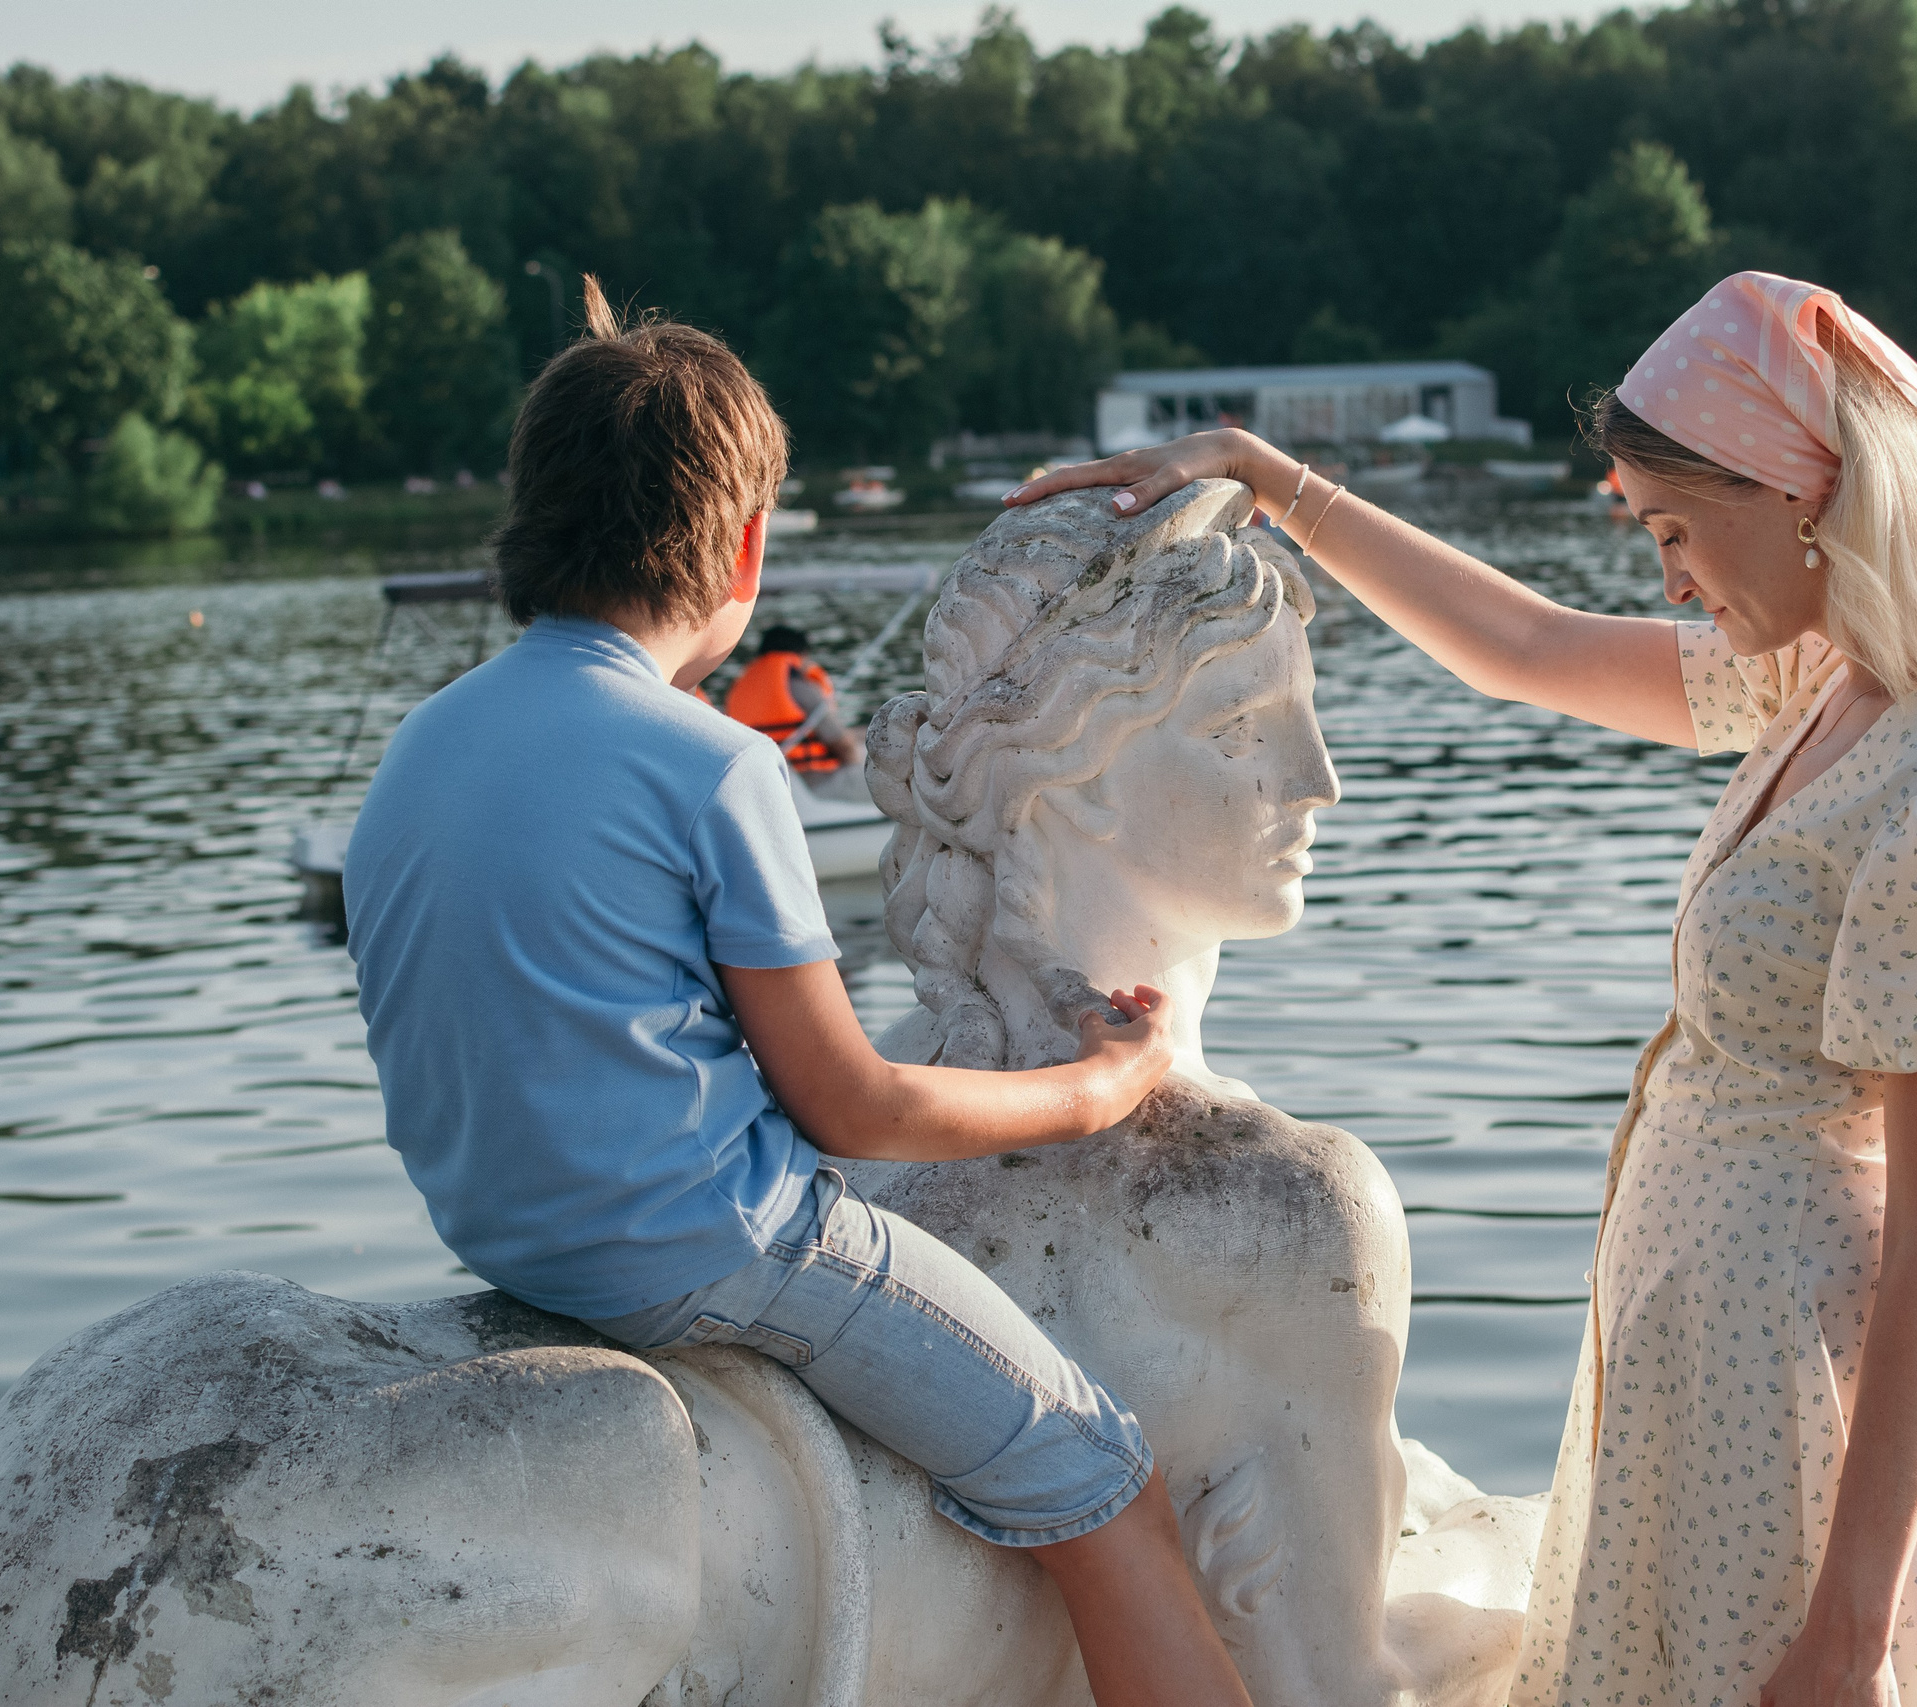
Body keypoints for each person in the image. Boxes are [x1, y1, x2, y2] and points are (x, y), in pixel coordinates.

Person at [1008, 270, 1917, 1707]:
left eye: (1678, 529)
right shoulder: (1824, 680)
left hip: (1803, 1416)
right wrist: (1265, 474)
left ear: (1799, 492)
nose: (1672, 576)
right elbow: (1531, 647)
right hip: (1690, 1373)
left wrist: (1852, 1635)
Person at [343, 276, 1253, 1707]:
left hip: (505, 1233)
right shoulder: (712, 766)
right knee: (1098, 1473)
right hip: (707, 1248)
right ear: (747, 544)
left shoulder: (420, 745)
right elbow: (853, 1100)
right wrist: (1105, 1082)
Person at [725, 622, 864, 775]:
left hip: (762, 774)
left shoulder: (739, 687)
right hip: (810, 780)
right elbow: (844, 747)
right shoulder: (800, 687)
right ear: (801, 654)